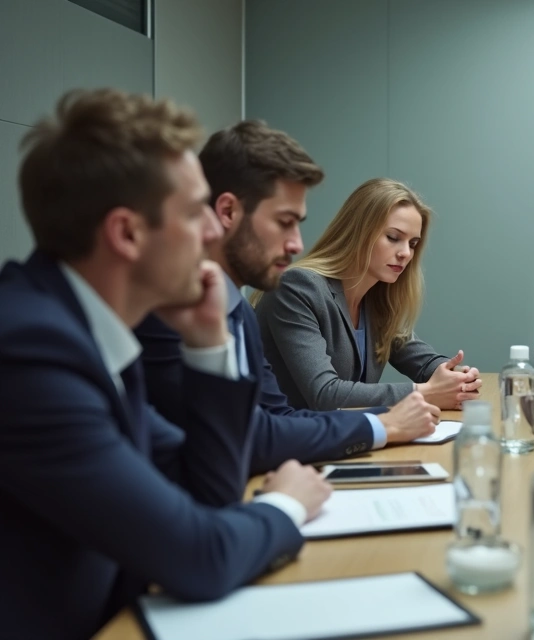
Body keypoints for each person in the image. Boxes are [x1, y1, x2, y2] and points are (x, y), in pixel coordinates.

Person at [0, 88, 332, 638]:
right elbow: (200, 556)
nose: (212, 230)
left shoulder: (91, 333)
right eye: (193, 211)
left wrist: (206, 345)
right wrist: (285, 507)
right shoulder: (29, 355)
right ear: (127, 233)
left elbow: (205, 494)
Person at [135, 121, 441, 474]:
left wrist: (393, 416)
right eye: (284, 222)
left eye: (413, 244)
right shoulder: (167, 313)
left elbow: (276, 418)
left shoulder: (238, 312)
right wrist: (385, 424)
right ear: (228, 212)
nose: (297, 243)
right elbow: (249, 438)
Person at [254, 178, 481, 410]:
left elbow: (421, 361)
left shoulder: (377, 299)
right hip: (282, 442)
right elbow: (324, 394)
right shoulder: (298, 287)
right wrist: (425, 393)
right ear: (358, 231)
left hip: (343, 439)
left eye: (413, 243)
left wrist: (456, 376)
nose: (405, 253)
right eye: (393, 238)